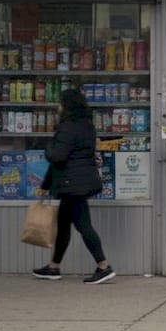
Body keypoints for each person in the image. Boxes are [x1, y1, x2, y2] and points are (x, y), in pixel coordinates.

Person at [32, 89, 115, 284]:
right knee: (63, 225)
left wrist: (47, 147)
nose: (58, 107)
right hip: (80, 181)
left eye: (60, 103)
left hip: (72, 184)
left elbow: (57, 157)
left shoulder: (67, 128)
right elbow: (62, 163)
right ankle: (53, 266)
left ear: (66, 106)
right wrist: (45, 184)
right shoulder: (87, 126)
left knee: (83, 225)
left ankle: (103, 266)